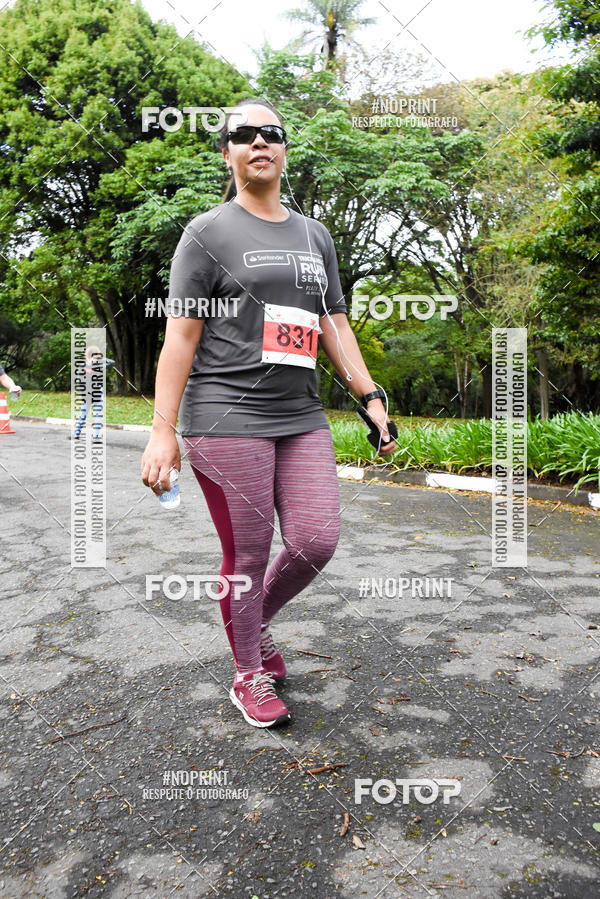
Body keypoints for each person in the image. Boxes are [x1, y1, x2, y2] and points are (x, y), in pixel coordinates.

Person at [141, 97, 396, 729]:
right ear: (226, 152)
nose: (260, 142)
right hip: (226, 417)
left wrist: (369, 395)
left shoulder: (315, 236)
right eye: (244, 135)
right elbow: (181, 336)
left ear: (285, 148)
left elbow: (333, 323)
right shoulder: (207, 233)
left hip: (301, 414)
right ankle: (247, 669)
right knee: (247, 555)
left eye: (272, 133)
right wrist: (161, 431)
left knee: (315, 540)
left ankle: (252, 627)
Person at [70, 345, 115, 440]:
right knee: (97, 414)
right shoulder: (99, 366)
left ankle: (77, 434)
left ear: (87, 355)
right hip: (96, 393)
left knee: (83, 414)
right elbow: (112, 362)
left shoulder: (83, 366)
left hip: (88, 394)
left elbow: (78, 381)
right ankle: (96, 435)